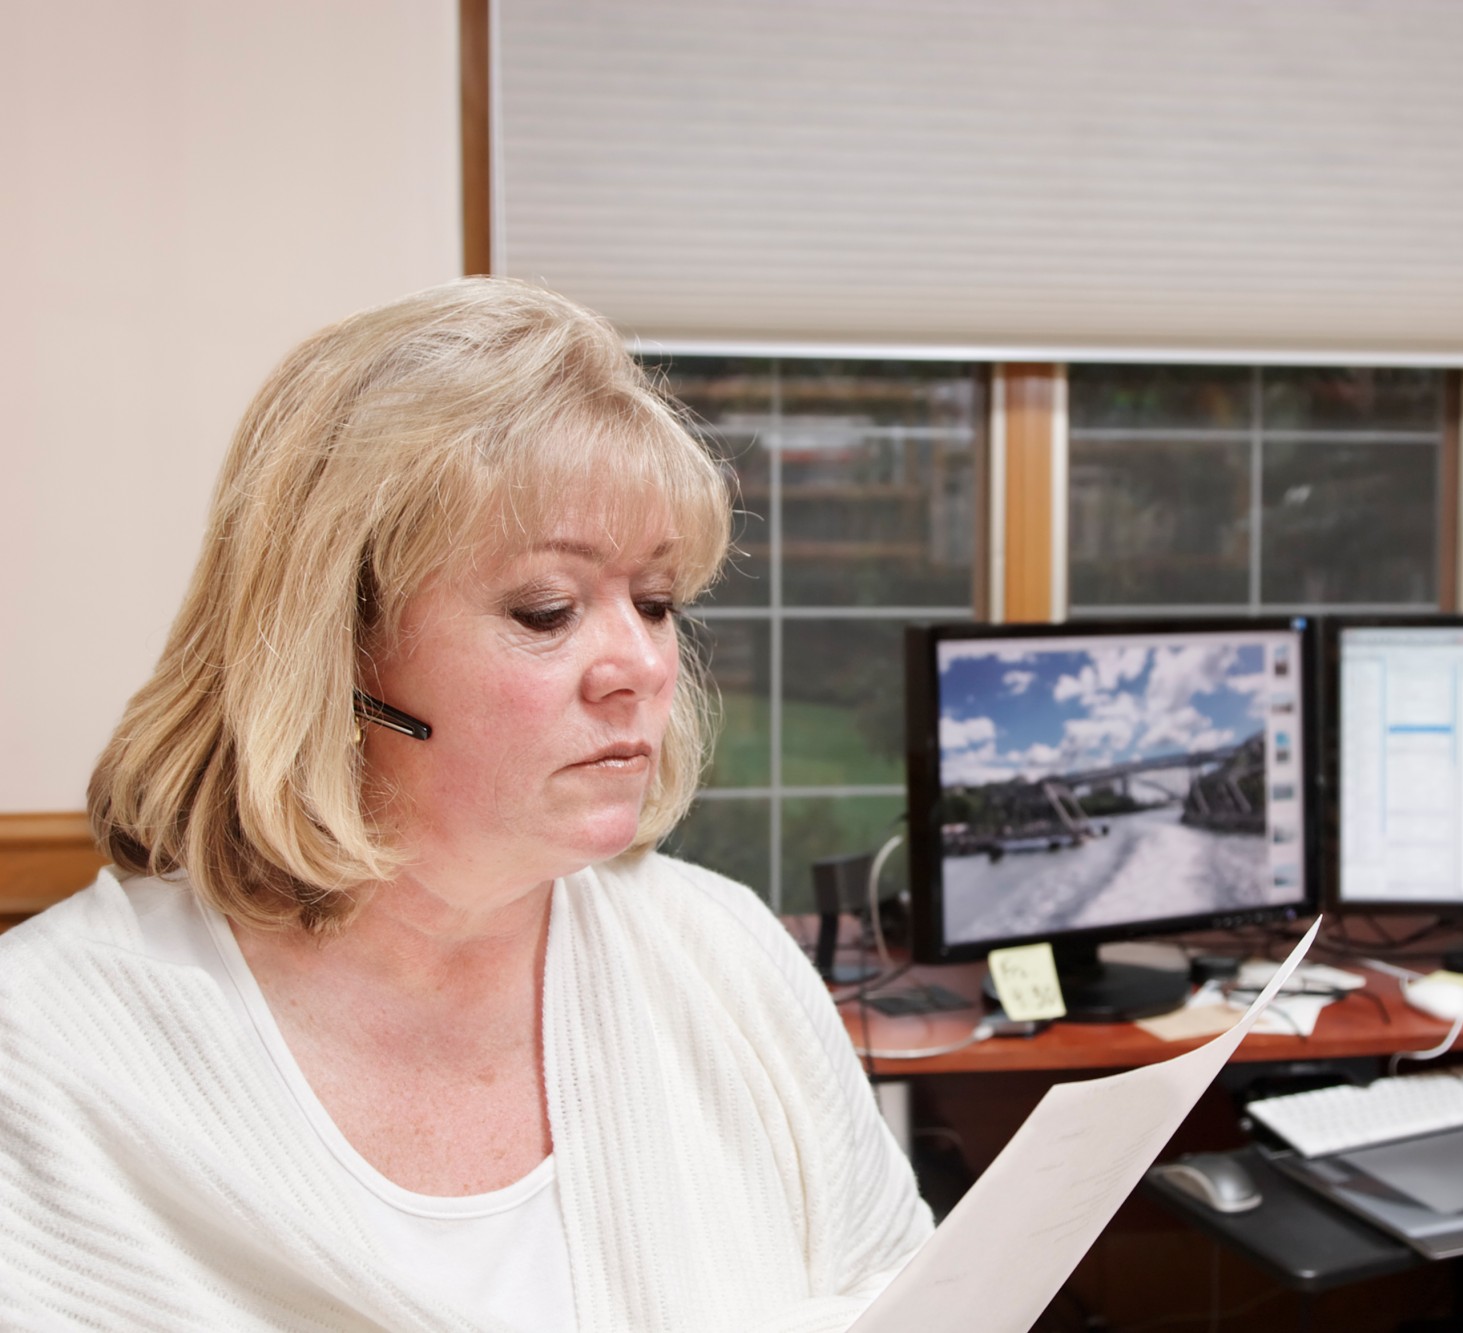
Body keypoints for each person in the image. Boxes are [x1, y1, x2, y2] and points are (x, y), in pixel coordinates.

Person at [0, 279, 932, 1330]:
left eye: (658, 601)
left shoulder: (724, 957)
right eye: (547, 610)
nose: (640, 662)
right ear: (338, 645)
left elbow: (922, 1301)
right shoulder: (44, 1048)